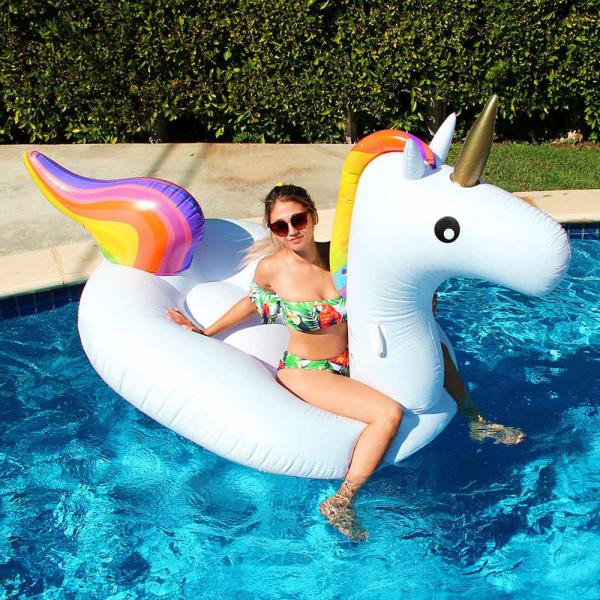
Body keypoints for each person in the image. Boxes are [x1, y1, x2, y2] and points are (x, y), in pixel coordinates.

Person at [167, 184, 526, 541]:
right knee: (387, 414)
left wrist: (425, 300)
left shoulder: (342, 260)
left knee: (437, 355)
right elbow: (252, 301)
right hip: (306, 370)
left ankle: (477, 421)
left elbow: (394, 284)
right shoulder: (272, 269)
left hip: (352, 358)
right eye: (280, 226)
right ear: (273, 230)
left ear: (313, 217)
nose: (291, 231)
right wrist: (207, 331)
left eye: (298, 220)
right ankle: (342, 500)